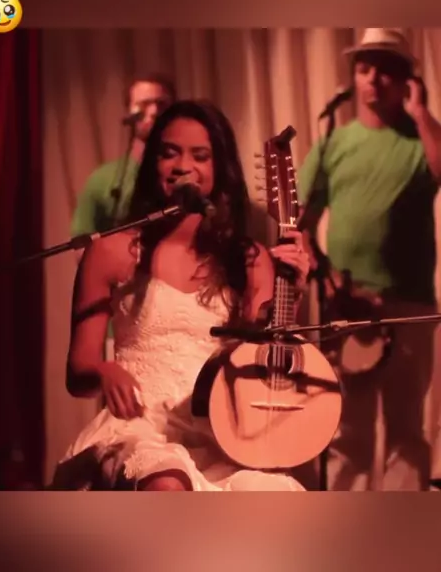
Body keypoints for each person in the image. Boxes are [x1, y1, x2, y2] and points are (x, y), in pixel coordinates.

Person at [53, 99, 310, 491]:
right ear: (152, 163)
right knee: (168, 482)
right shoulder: (112, 251)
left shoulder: (248, 259)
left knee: (270, 494)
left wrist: (294, 290)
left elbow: (264, 365)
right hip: (137, 430)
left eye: (200, 156)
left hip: (221, 435)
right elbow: (78, 373)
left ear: (220, 168)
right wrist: (105, 371)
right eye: (169, 153)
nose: (182, 165)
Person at [297, 28, 441, 491]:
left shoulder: (421, 140)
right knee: (348, 431)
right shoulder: (333, 143)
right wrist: (332, 282)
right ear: (354, 77)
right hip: (349, 307)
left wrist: (421, 113)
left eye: (385, 70)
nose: (373, 79)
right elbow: (299, 225)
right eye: (364, 68)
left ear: (407, 81)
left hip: (408, 306)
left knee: (406, 431)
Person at [71, 72, 177, 237]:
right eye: (144, 104)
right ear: (129, 112)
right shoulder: (102, 179)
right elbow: (81, 242)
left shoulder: (188, 172)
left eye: (161, 104)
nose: (154, 111)